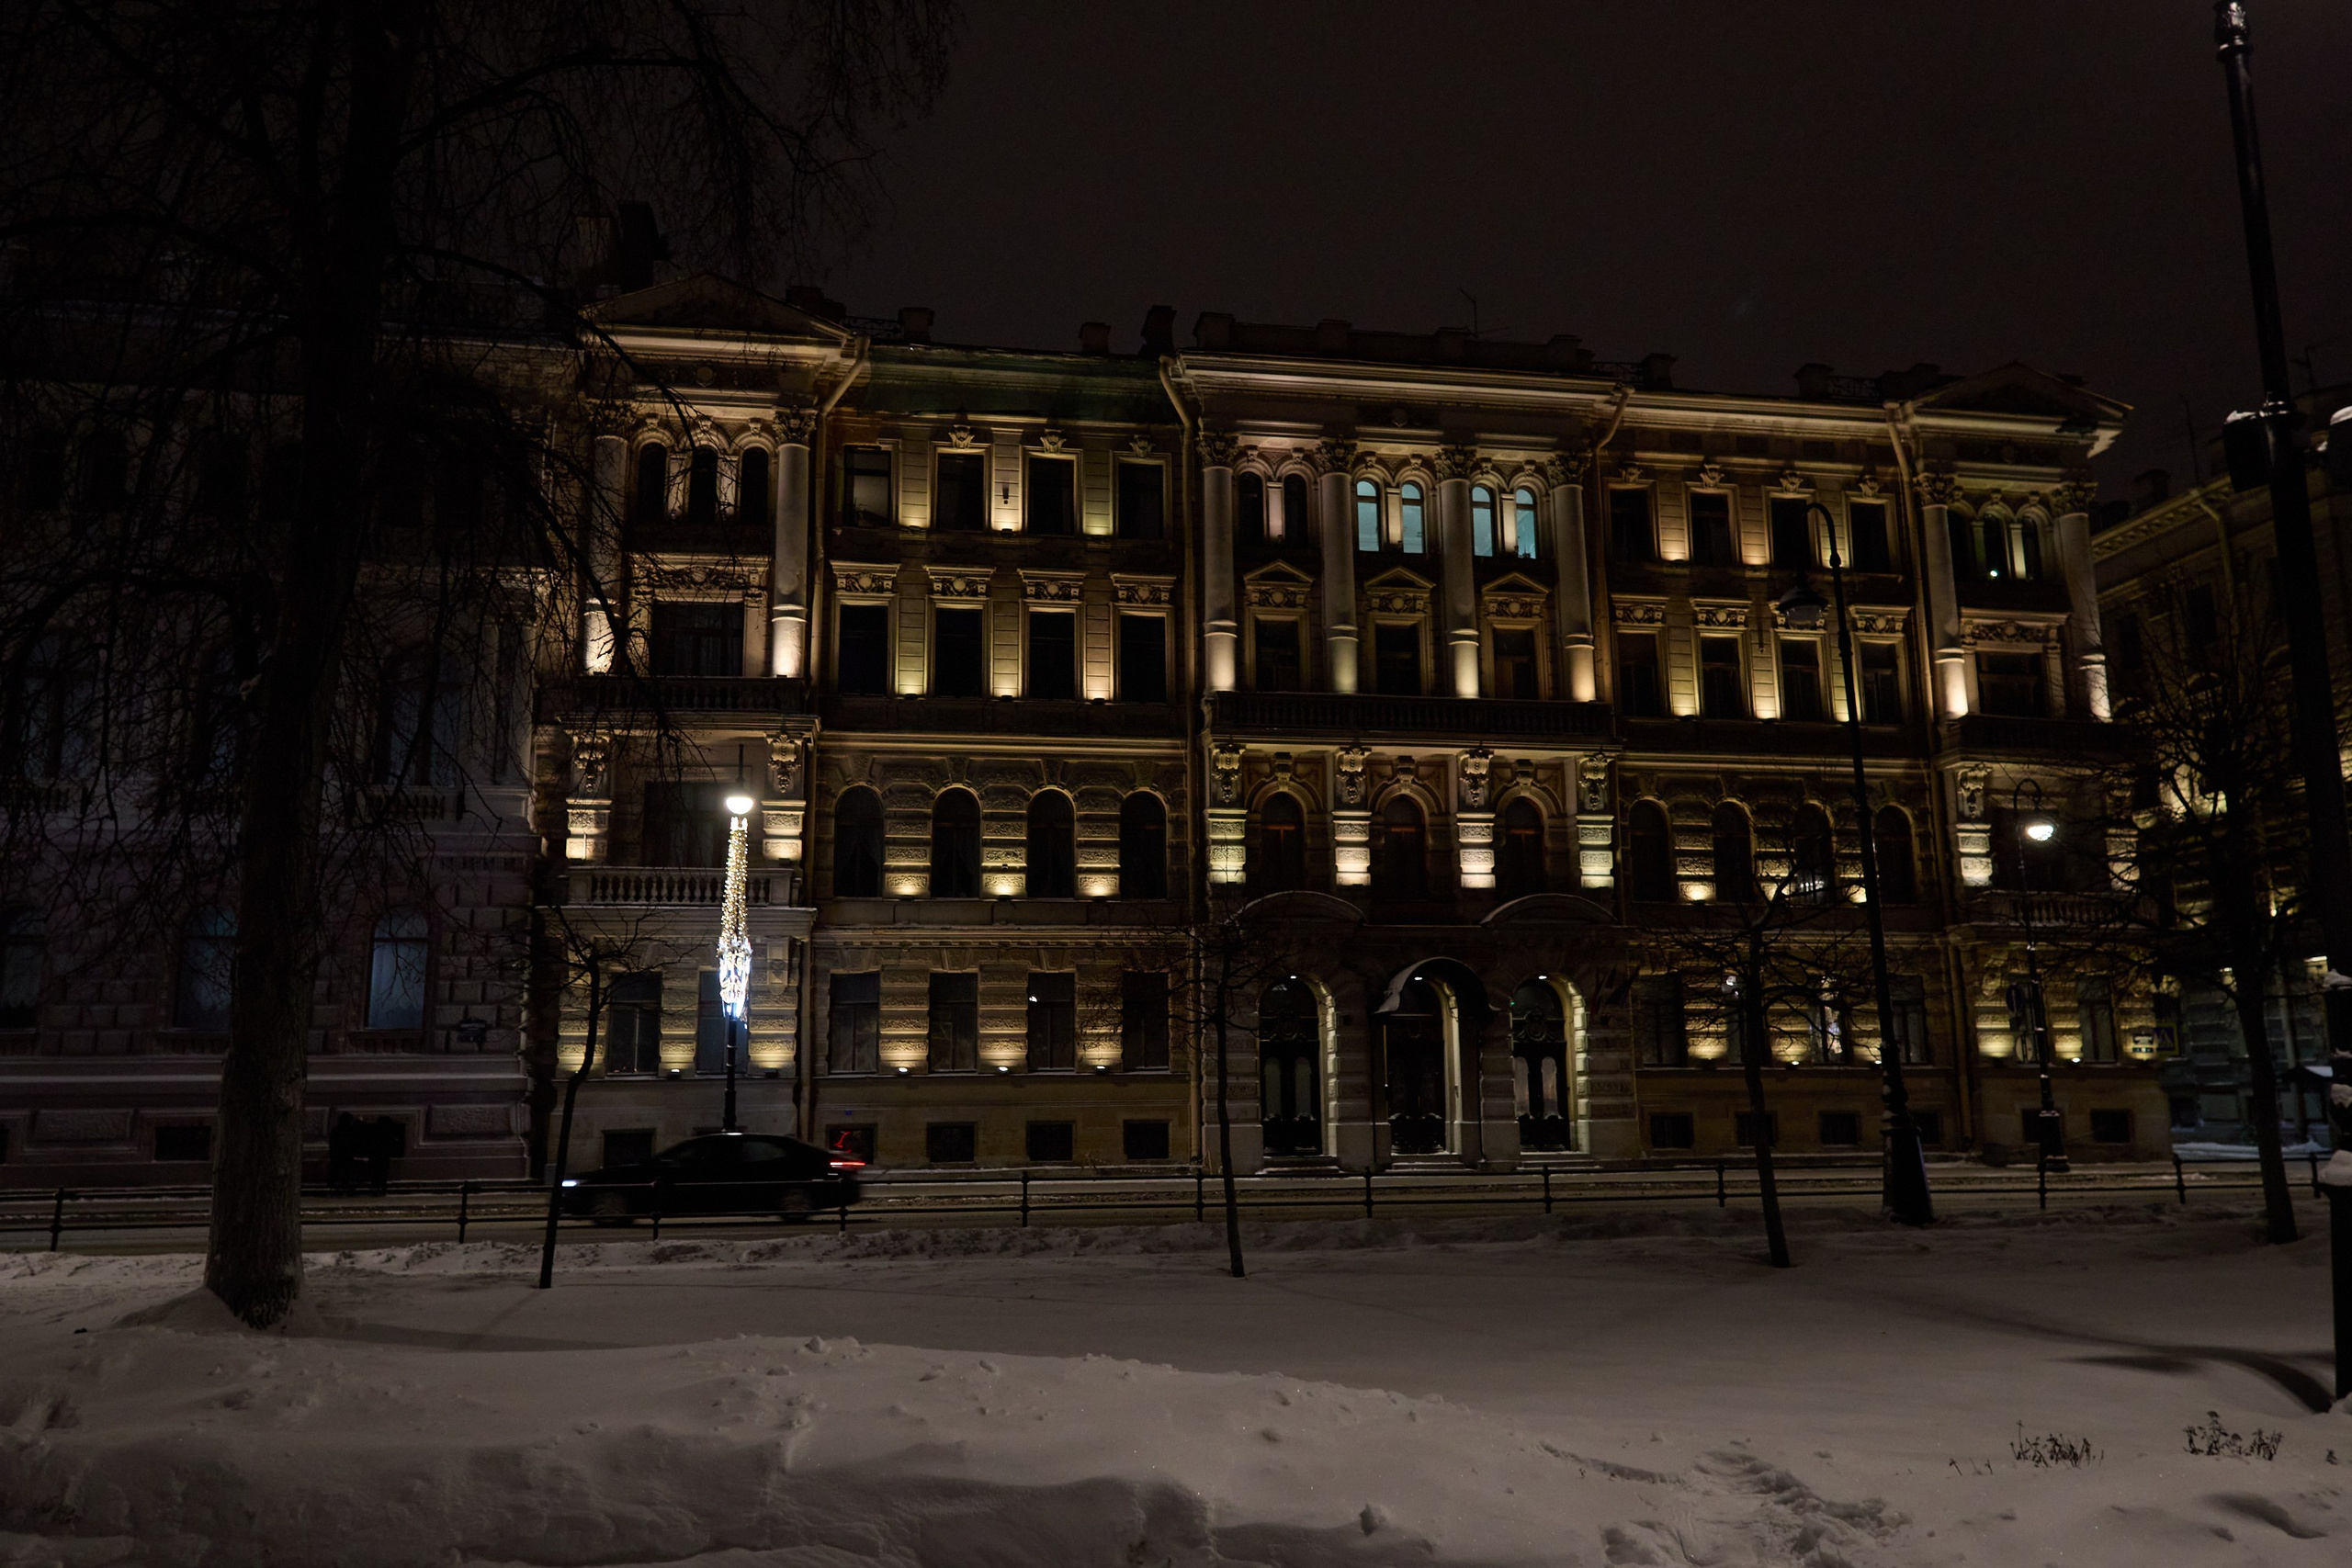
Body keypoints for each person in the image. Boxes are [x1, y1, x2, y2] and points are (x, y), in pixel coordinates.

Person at [366, 1115, 401, 1196]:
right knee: (382, 1173)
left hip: (375, 1156)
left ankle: (376, 1188)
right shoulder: (388, 1133)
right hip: (382, 1156)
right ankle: (381, 1189)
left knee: (376, 1173)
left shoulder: (375, 1132)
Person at [327, 1112, 360, 1195]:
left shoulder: (336, 1130)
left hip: (338, 1153)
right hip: (345, 1153)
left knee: (338, 1169)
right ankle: (341, 1183)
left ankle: (333, 1183)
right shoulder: (347, 1130)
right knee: (344, 1169)